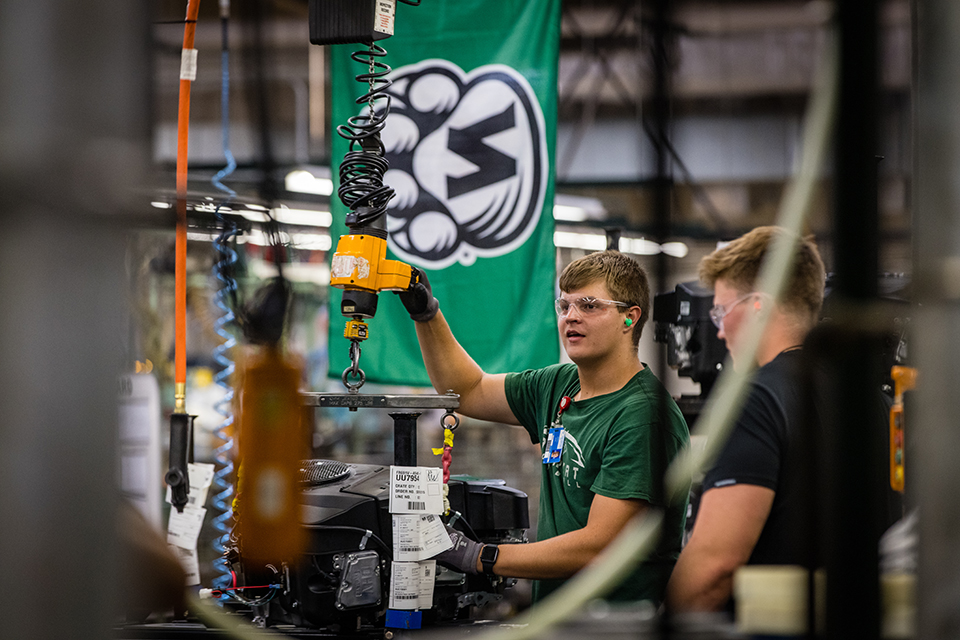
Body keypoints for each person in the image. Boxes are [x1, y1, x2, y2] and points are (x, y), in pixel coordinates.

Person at [397, 250, 690, 605]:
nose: (571, 317)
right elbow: (469, 390)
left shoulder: (642, 415)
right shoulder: (557, 385)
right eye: (564, 306)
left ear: (630, 318)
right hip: (559, 617)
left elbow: (598, 546)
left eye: (589, 305)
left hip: (619, 624)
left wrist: (480, 556)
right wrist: (426, 314)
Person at [666, 225, 826, 611]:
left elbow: (713, 570)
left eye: (721, 311)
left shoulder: (752, 400)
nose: (718, 332)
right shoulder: (868, 396)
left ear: (759, 305)